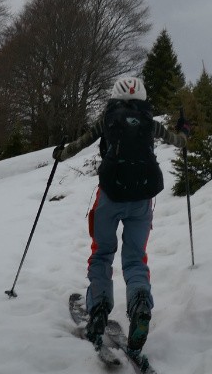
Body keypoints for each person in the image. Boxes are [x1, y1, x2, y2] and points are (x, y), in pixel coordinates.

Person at [55, 76, 177, 355]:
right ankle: (141, 305)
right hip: (142, 202)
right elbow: (179, 141)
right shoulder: (150, 122)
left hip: (109, 198)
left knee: (102, 254)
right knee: (135, 259)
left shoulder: (107, 119)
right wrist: (184, 132)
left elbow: (79, 144)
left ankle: (98, 309)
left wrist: (60, 154)